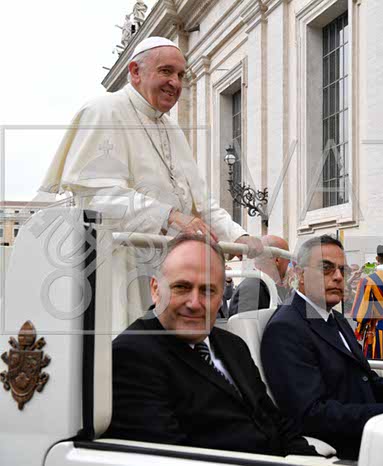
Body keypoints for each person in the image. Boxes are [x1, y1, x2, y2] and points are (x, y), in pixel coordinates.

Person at [39, 36, 262, 329]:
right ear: (135, 71)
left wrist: (239, 235)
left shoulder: (172, 129)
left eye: (181, 75)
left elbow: (201, 203)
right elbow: (96, 196)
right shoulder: (104, 111)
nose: (175, 83)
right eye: (166, 71)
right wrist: (169, 216)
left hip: (171, 272)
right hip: (122, 268)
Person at [105, 234, 317, 457]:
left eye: (208, 290)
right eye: (181, 287)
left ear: (221, 295)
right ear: (156, 289)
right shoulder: (130, 356)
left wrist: (311, 460)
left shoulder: (233, 345)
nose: (195, 303)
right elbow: (171, 457)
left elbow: (274, 420)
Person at [260, 235, 383, 460]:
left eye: (342, 269)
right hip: (344, 448)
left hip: (372, 431)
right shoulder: (286, 328)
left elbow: (367, 379)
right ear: (299, 274)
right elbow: (310, 414)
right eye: (326, 268)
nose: (338, 277)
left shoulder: (335, 319)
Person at [229, 235, 291, 314]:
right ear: (277, 260)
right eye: (288, 258)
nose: (289, 262)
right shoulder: (252, 289)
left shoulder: (272, 286)